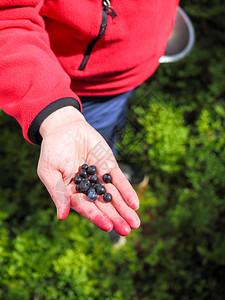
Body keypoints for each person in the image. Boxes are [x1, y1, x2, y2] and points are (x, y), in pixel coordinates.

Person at [0, 0, 179, 236]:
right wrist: (57, 115)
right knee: (91, 142)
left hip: (136, 68)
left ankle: (111, 160)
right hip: (77, 86)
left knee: (109, 128)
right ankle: (104, 204)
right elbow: (8, 18)